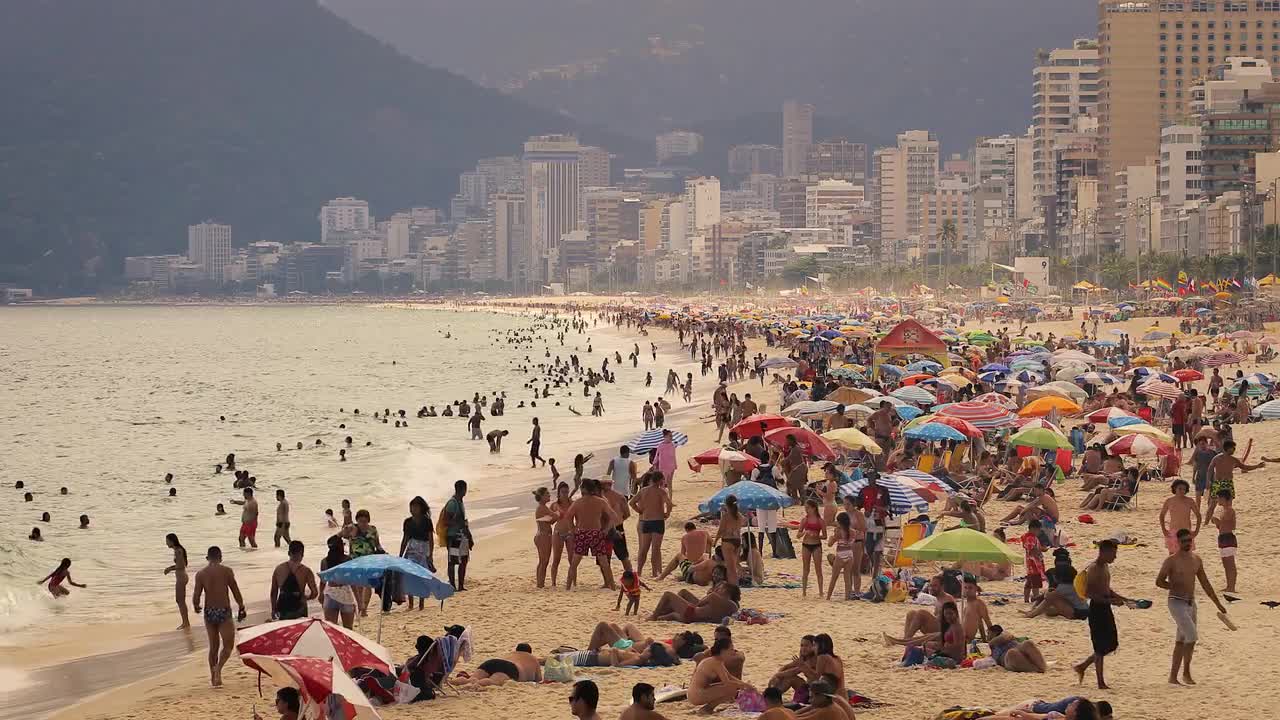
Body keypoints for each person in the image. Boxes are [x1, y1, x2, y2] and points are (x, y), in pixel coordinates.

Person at [1156, 528, 1230, 685]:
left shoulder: (1196, 559)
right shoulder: (1171, 561)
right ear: (1177, 542)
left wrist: (1218, 603)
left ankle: (1173, 677)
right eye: (1184, 541)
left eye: (1190, 540)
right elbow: (1159, 581)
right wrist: (1172, 585)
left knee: (1180, 640)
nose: (1188, 543)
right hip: (1176, 602)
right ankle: (1186, 673)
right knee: (1192, 636)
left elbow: (1205, 583)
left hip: (1191, 603)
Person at [1073, 540, 1131, 689]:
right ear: (1104, 552)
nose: (1115, 557)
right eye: (1113, 553)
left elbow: (1106, 589)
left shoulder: (1105, 567)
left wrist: (1124, 599)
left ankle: (1083, 666)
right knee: (1100, 646)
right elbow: (1089, 593)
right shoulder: (1093, 569)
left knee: (1111, 644)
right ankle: (1100, 682)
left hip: (1105, 607)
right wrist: (1111, 601)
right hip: (1097, 609)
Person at [192, 546, 246, 687]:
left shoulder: (201, 574)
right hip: (223, 611)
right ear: (220, 557)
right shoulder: (227, 571)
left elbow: (196, 595)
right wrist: (241, 606)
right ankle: (218, 669)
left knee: (213, 647)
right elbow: (235, 589)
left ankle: (213, 678)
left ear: (207, 558)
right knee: (228, 645)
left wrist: (196, 606)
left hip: (209, 612)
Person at [565, 478, 622, 591]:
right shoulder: (600, 501)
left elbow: (568, 516)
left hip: (582, 533)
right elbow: (614, 516)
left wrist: (573, 530)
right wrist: (606, 529)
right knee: (604, 562)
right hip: (596, 533)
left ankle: (568, 587)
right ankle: (612, 587)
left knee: (574, 562)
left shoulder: (578, 502)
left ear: (584, 489)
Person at [688, 638, 755, 713]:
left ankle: (708, 708)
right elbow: (727, 682)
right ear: (723, 651)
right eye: (731, 649)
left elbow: (729, 676)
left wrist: (745, 684)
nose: (733, 652)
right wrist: (744, 686)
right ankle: (707, 708)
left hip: (695, 692)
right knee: (731, 688)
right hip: (697, 694)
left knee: (733, 687)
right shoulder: (715, 662)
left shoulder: (716, 661)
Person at [1206, 439, 1262, 523]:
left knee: (1228, 505)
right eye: (1233, 448)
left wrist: (1257, 466)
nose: (1234, 450)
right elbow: (1210, 469)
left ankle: (1226, 521)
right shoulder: (1217, 458)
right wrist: (1208, 481)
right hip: (1218, 483)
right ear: (1227, 448)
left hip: (1228, 483)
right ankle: (1206, 523)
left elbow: (1244, 467)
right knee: (1212, 505)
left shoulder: (1234, 460)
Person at [630, 472, 672, 577]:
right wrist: (667, 513)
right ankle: (654, 572)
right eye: (663, 480)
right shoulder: (661, 492)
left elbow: (631, 502)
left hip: (646, 521)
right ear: (659, 480)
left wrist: (639, 511)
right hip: (658, 521)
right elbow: (669, 503)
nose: (663, 482)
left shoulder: (643, 491)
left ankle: (639, 571)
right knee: (655, 548)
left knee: (644, 548)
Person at [400, 496, 435, 609]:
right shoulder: (408, 522)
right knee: (409, 575)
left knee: (422, 577)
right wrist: (401, 555)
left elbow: (430, 539)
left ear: (421, 508)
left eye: (416, 507)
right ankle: (410, 604)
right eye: (411, 507)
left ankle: (421, 604)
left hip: (424, 550)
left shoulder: (427, 521)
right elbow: (405, 539)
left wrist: (430, 555)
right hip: (411, 550)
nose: (413, 509)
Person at [269, 540, 317, 620]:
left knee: (285, 630)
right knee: (300, 631)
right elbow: (314, 593)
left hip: (283, 607)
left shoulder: (278, 569)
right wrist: (307, 597)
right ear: (302, 554)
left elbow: (273, 592)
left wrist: (273, 610)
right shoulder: (306, 571)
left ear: (288, 553)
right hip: (299, 608)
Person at [347, 509, 383, 615]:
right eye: (360, 521)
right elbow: (342, 537)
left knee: (368, 585)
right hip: (356, 560)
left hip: (370, 560)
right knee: (358, 585)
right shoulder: (352, 529)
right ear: (357, 520)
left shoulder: (373, 530)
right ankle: (360, 605)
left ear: (368, 521)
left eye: (365, 521)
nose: (363, 523)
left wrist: (382, 553)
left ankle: (364, 609)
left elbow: (377, 544)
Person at [442, 480, 475, 591]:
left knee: (464, 560)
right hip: (453, 536)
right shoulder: (452, 503)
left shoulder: (460, 502)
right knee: (452, 562)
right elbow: (446, 521)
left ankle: (460, 586)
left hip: (462, 536)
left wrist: (469, 537)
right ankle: (452, 586)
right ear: (463, 489)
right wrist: (458, 523)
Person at [319, 535, 356, 629]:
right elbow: (353, 582)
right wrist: (359, 601)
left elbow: (323, 581)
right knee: (348, 630)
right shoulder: (348, 560)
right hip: (346, 594)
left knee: (332, 630)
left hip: (330, 593)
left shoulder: (325, 561)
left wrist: (321, 594)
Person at [826, 511, 861, 601]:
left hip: (840, 555)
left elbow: (830, 544)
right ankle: (847, 597)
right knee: (847, 578)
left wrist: (831, 537)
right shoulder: (853, 532)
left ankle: (828, 597)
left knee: (834, 577)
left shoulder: (839, 531)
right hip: (849, 555)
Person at [1159, 479, 1201, 555]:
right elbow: (1162, 515)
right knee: (1172, 555)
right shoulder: (1169, 501)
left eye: (1184, 489)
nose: (1182, 491)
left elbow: (1198, 515)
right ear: (1175, 488)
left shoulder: (1190, 501)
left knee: (1187, 555)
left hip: (1186, 531)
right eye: (1180, 489)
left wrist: (1196, 530)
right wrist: (1164, 529)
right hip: (1173, 531)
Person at [1209, 488, 1239, 593]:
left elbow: (1229, 525)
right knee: (1226, 563)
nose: (1218, 501)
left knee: (1230, 564)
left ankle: (1232, 586)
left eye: (1219, 498)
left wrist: (1217, 521)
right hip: (1223, 536)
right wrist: (1216, 522)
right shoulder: (1224, 510)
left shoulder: (1230, 510)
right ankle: (1229, 585)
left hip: (1228, 537)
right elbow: (1221, 527)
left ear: (1223, 498)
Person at [550, 482, 575, 587]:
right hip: (558, 532)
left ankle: (574, 582)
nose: (565, 494)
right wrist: (556, 516)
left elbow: (578, 518)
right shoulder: (554, 505)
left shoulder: (573, 503)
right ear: (559, 493)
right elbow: (550, 521)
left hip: (570, 533)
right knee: (556, 558)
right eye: (563, 492)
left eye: (566, 491)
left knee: (572, 559)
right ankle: (553, 583)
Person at [716, 495, 745, 587]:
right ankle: (735, 584)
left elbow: (721, 530)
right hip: (737, 541)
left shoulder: (726, 516)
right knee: (735, 564)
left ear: (726, 505)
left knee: (730, 567)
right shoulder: (740, 516)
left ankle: (732, 586)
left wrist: (715, 540)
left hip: (727, 541)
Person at [164, 533, 190, 629]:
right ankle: (185, 622)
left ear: (171, 541)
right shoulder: (178, 550)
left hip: (182, 577)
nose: (166, 543)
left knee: (180, 601)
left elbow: (181, 565)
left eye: (167, 541)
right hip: (181, 577)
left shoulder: (178, 551)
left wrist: (169, 568)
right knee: (180, 600)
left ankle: (185, 623)